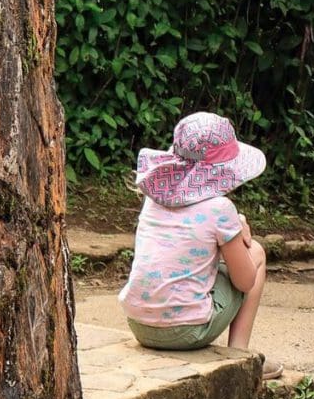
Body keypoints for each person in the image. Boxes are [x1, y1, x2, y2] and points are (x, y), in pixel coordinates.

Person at [118, 112, 283, 379]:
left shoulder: (153, 200)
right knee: (257, 254)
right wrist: (240, 236)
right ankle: (240, 357)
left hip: (139, 325)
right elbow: (245, 281)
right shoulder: (220, 209)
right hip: (185, 333)